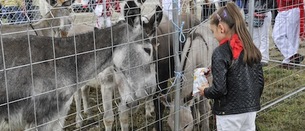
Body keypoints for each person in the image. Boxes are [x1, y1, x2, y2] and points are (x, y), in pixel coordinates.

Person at [198, 2, 264, 131]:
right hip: (250, 111)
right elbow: (260, 81)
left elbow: (219, 89)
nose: (213, 36)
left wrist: (205, 91)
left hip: (228, 114)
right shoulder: (251, 47)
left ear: (221, 28)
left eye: (213, 32)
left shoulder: (220, 52)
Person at [272, 0, 304, 69]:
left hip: (292, 8)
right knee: (277, 35)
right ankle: (293, 56)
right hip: (283, 9)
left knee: (292, 37)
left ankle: (289, 61)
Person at [252, 0, 274, 66]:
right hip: (254, 12)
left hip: (265, 12)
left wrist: (263, 10)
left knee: (263, 36)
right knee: (255, 36)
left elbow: (269, 2)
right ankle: (256, 56)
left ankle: (264, 58)